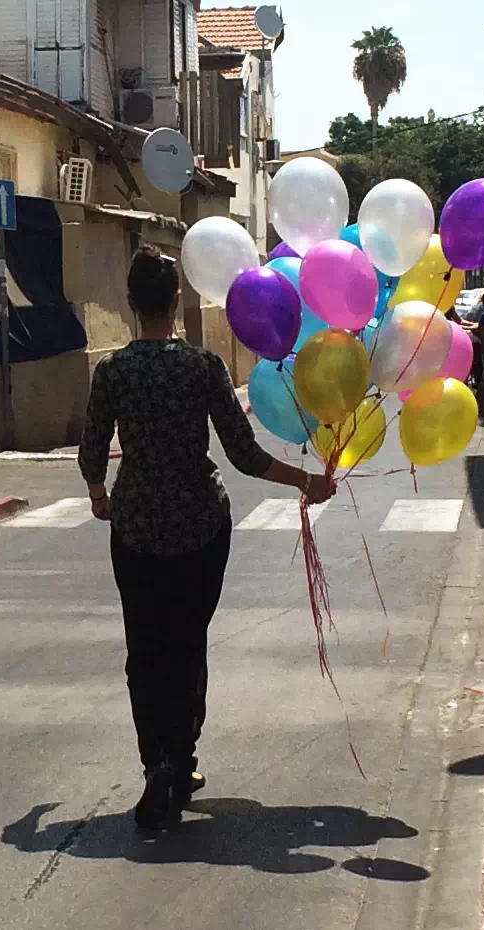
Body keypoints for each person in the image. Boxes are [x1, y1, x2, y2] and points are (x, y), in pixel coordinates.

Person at [78, 246, 338, 830]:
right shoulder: (203, 367)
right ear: (176, 301)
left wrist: (100, 495)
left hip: (138, 527)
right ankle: (182, 755)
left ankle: (158, 763)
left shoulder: (113, 372)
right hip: (199, 525)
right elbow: (243, 456)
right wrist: (304, 480)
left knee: (145, 651)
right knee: (187, 641)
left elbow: (92, 450)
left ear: (130, 304)